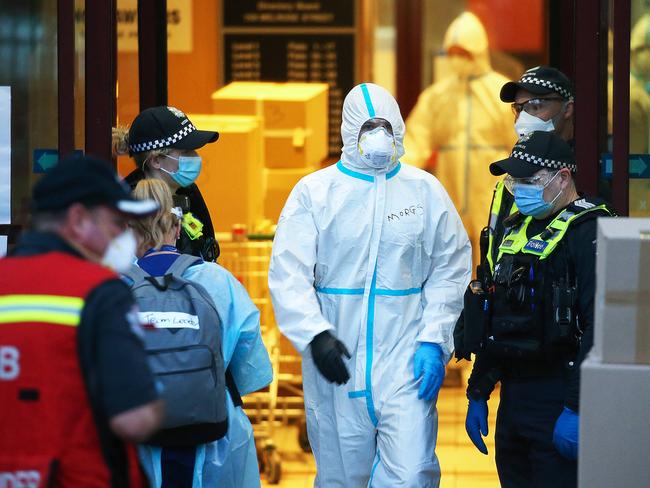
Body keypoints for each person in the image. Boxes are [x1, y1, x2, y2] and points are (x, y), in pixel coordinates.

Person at [268, 82, 472, 487]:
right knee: (343, 477)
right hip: (338, 361)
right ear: (349, 131)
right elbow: (288, 273)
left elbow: (451, 268)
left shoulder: (425, 191)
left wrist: (434, 339)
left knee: (412, 473)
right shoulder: (315, 193)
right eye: (368, 127)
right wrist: (315, 335)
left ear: (398, 127)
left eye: (384, 126)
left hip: (406, 357)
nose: (378, 137)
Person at [0, 155, 165, 487]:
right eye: (117, 223)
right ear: (77, 220)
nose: (123, 236)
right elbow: (134, 420)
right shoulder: (101, 293)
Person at [462, 131, 614, 487]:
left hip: (560, 392)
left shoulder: (591, 231)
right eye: (514, 180)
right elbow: (497, 315)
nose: (519, 189)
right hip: (514, 397)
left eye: (528, 180)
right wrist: (479, 391)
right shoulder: (516, 232)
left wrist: (577, 406)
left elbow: (601, 325)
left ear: (562, 178)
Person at [127, 179, 272, 487]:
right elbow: (253, 374)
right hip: (213, 438)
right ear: (178, 229)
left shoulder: (110, 286)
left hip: (136, 442)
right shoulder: (219, 281)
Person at [403, 11, 515, 266]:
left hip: (492, 187)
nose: (456, 60)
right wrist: (397, 177)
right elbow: (416, 141)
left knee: (492, 247)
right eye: (451, 53)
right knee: (449, 251)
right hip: (450, 187)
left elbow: (520, 142)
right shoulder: (438, 96)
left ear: (478, 52)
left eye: (463, 53)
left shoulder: (502, 92)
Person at [113, 105, 221, 262]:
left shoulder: (188, 192)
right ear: (156, 160)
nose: (195, 157)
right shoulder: (129, 207)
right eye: (185, 152)